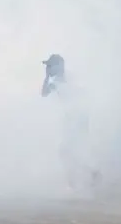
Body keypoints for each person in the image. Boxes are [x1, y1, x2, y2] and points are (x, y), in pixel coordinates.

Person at [41, 54, 101, 193]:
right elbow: (44, 93)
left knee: (66, 151)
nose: (48, 69)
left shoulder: (67, 79)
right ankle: (89, 176)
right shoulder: (57, 80)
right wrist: (46, 77)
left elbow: (82, 95)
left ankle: (79, 180)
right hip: (72, 118)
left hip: (78, 118)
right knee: (68, 152)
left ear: (58, 67)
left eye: (50, 66)